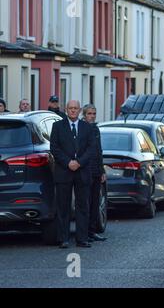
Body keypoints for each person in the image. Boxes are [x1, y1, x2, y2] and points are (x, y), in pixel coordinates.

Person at [50, 100, 95, 249]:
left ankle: (82, 239)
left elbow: (91, 149)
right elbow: (54, 148)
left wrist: (79, 162)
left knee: (82, 206)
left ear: (80, 110)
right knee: (63, 206)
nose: (73, 111)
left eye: (76, 108)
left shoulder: (87, 127)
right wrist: (68, 162)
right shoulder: (57, 126)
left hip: (82, 171)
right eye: (70, 108)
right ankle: (63, 238)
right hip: (64, 171)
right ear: (66, 109)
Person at [82, 104, 107, 242]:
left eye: (94, 114)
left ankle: (92, 231)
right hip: (85, 170)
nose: (92, 116)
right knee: (85, 202)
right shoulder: (81, 128)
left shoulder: (95, 129)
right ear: (84, 115)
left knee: (95, 202)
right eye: (89, 113)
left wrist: (102, 170)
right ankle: (84, 232)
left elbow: (99, 150)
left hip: (96, 170)